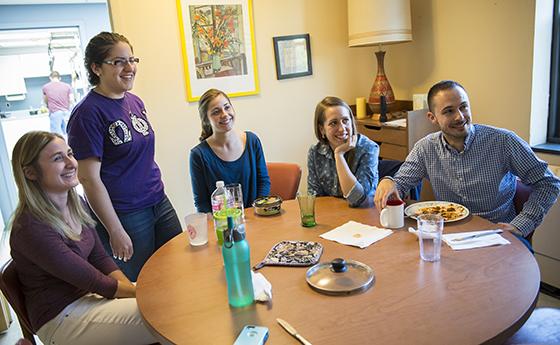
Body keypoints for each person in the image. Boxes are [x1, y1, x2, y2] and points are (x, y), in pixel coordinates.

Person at [9, 131, 157, 345]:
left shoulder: (75, 202)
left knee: (168, 301)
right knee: (166, 314)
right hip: (62, 318)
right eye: (58, 158)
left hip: (91, 298)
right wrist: (138, 294)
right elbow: (94, 280)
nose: (71, 163)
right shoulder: (31, 227)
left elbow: (100, 259)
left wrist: (134, 292)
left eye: (69, 153)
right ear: (30, 173)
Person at [374, 80, 560, 239]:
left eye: (463, 107)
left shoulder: (503, 141)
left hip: (496, 235)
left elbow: (549, 183)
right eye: (448, 111)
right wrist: (389, 182)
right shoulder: (425, 148)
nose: (460, 117)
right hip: (449, 236)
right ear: (432, 118)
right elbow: (401, 183)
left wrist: (521, 225)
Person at [67, 32, 181, 281]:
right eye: (118, 61)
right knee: (142, 284)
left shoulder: (134, 101)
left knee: (177, 271)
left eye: (132, 59)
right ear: (96, 67)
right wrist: (115, 229)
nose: (129, 67)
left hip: (158, 201)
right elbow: (88, 179)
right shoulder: (87, 114)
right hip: (126, 214)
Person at [190, 88, 270, 213]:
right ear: (206, 120)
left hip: (256, 217)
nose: (224, 114)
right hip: (222, 224)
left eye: (227, 107)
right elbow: (201, 203)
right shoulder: (198, 155)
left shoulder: (252, 141)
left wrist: (255, 213)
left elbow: (263, 182)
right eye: (216, 112)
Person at [307, 96, 379, 207]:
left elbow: (356, 199)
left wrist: (339, 155)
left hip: (365, 215)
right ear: (322, 129)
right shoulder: (315, 152)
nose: (342, 128)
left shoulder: (368, 148)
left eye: (345, 121)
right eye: (333, 123)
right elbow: (314, 198)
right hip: (332, 215)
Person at [42, 70, 74, 135]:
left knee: (56, 136)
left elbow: (45, 100)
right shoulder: (67, 86)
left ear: (50, 78)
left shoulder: (45, 87)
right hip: (66, 112)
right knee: (69, 133)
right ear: (59, 78)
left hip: (54, 112)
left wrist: (47, 106)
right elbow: (71, 100)